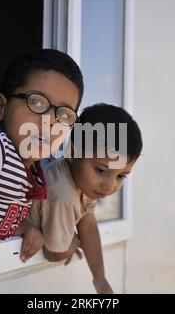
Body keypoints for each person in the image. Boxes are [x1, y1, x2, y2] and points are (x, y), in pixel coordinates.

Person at [0, 49, 84, 266]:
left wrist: (24, 228)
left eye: (64, 114)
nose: (51, 120)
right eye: (38, 102)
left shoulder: (30, 169)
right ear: (0, 107)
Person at [27, 103, 143, 293]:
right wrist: (73, 242)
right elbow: (54, 253)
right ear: (72, 153)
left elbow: (87, 225)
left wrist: (99, 279)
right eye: (101, 170)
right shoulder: (63, 194)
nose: (109, 185)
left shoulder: (84, 181)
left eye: (121, 176)